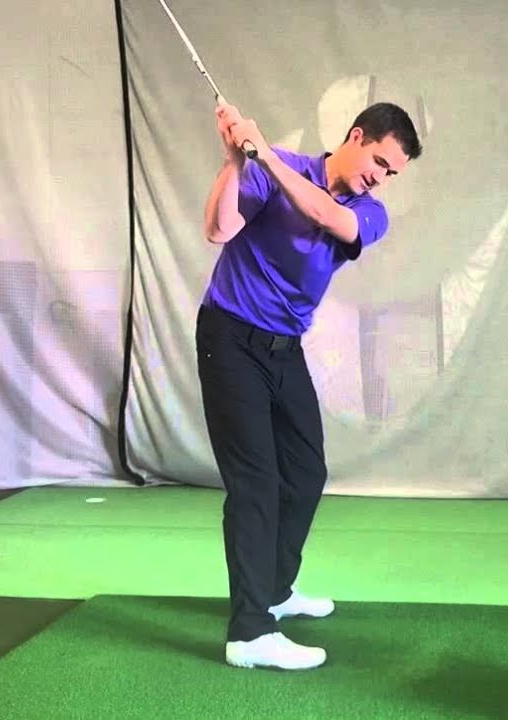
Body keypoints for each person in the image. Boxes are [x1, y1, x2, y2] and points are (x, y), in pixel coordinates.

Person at [196, 100, 422, 670]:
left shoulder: (368, 211)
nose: (381, 178)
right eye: (379, 162)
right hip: (229, 337)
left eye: (392, 173)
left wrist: (264, 158)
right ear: (355, 136)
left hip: (283, 347)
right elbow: (218, 230)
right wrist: (235, 162)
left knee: (304, 473)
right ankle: (250, 633)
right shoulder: (276, 168)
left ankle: (274, 590)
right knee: (255, 483)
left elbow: (327, 215)